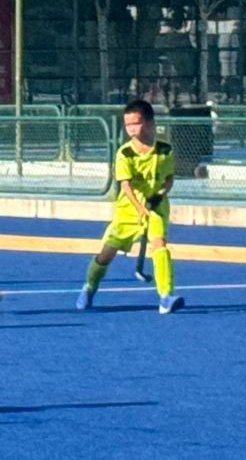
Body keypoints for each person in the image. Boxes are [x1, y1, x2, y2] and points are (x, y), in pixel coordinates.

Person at [78, 99, 183, 315]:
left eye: (136, 123)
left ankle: (165, 296)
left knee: (159, 244)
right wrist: (139, 207)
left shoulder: (165, 150)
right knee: (107, 253)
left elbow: (169, 179)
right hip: (128, 211)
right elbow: (125, 186)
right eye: (127, 125)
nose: (131, 129)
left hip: (155, 208)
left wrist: (159, 195)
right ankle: (89, 287)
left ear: (150, 123)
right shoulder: (124, 153)